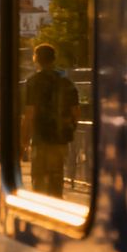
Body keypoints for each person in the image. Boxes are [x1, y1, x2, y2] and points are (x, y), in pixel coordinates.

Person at [20, 44, 80, 198]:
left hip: (40, 138)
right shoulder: (66, 82)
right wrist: (70, 128)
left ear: (36, 59)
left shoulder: (33, 82)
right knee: (56, 177)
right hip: (59, 138)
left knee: (39, 179)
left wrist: (23, 141)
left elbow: (29, 114)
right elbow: (76, 111)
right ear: (54, 59)